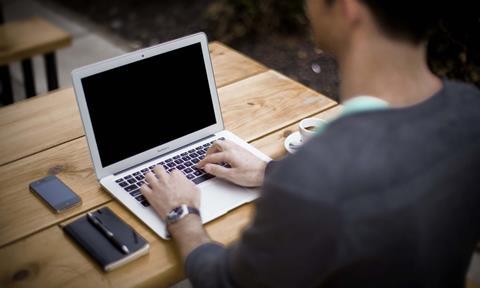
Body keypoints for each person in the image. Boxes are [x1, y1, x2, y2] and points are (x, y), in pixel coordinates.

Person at [140, 0, 480, 286]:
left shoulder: (317, 176)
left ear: (349, 8)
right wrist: (268, 171)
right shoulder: (470, 111)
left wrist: (182, 214)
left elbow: (224, 282)